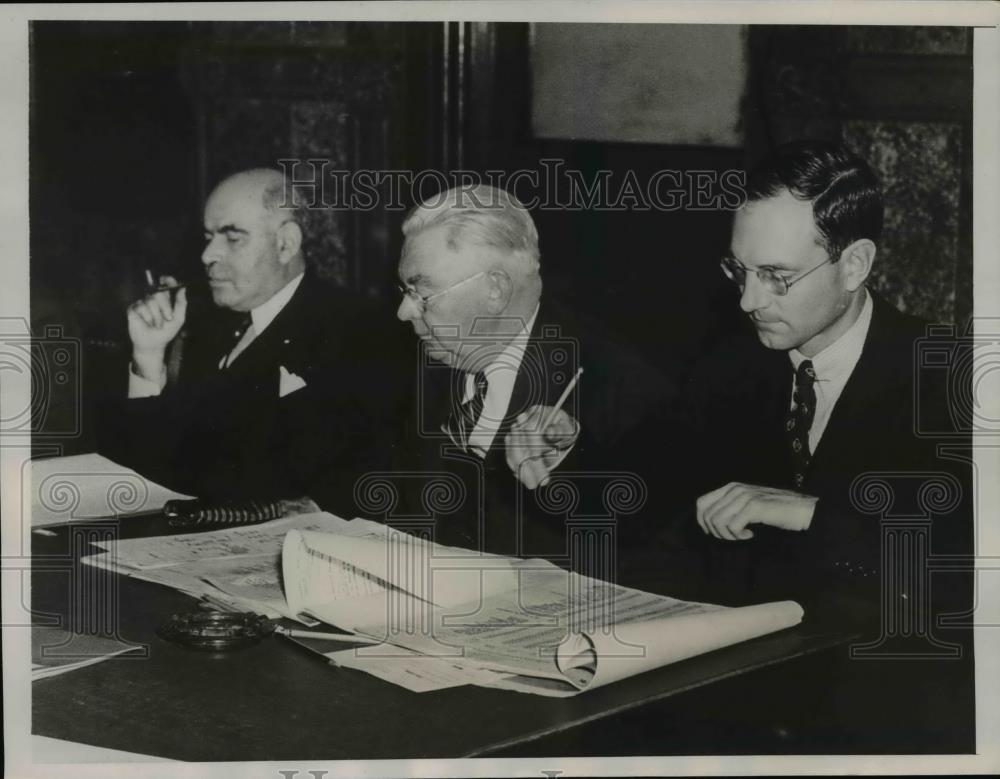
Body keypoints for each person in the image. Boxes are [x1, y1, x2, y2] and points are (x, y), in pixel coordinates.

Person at [661, 140, 972, 626]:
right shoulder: (728, 366)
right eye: (739, 271)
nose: (748, 301)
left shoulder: (952, 377)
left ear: (854, 265)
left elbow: (963, 568)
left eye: (775, 275)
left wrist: (811, 514)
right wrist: (568, 452)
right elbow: (663, 500)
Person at [316, 185, 672, 564]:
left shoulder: (618, 382)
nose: (403, 312)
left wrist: (565, 464)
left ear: (495, 290)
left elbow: (645, 541)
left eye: (422, 293)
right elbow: (402, 495)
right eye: (404, 290)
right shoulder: (439, 357)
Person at [101, 168, 400, 501]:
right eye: (208, 237)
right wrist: (148, 358)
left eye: (233, 238)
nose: (207, 255)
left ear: (285, 243)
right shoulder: (201, 324)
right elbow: (141, 472)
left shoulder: (357, 332)